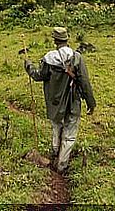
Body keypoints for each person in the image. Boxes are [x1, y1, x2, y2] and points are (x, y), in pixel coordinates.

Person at [23, 27, 96, 174]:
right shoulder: (76, 57)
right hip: (73, 101)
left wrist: (29, 65)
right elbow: (84, 82)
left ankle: (55, 153)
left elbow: (38, 76)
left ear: (55, 40)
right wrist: (91, 103)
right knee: (69, 134)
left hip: (55, 102)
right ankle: (61, 165)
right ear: (67, 39)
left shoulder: (48, 59)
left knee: (57, 126)